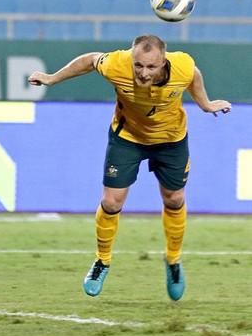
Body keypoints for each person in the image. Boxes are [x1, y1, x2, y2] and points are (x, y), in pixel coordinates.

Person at [28, 34, 231, 301]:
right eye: (138, 65)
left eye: (151, 66)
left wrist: (205, 104)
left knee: (174, 198)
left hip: (171, 140)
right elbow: (89, 60)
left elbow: (193, 74)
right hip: (128, 139)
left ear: (163, 62)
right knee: (111, 202)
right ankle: (102, 261)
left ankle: (173, 261)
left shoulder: (182, 65)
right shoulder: (116, 63)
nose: (143, 73)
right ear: (131, 59)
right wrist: (52, 78)